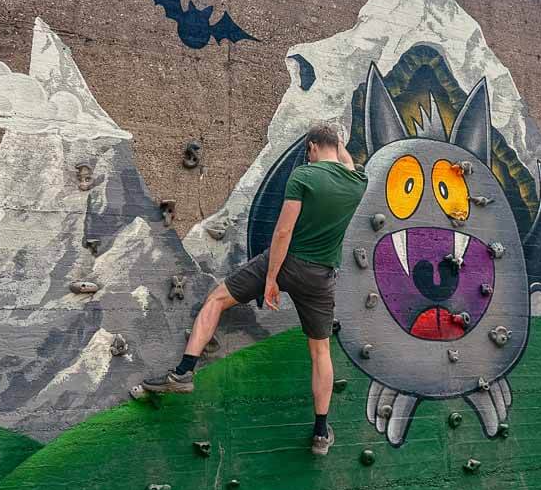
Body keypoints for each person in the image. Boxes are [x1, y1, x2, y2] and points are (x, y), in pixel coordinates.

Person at [132, 123, 368, 456]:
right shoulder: (357, 182)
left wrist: (271, 279)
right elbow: (344, 161)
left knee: (216, 300)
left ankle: (183, 373)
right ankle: (319, 432)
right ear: (337, 146)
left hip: (285, 262)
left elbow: (283, 232)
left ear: (312, 147)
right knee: (320, 352)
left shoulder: (304, 176)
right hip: (321, 277)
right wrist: (340, 141)